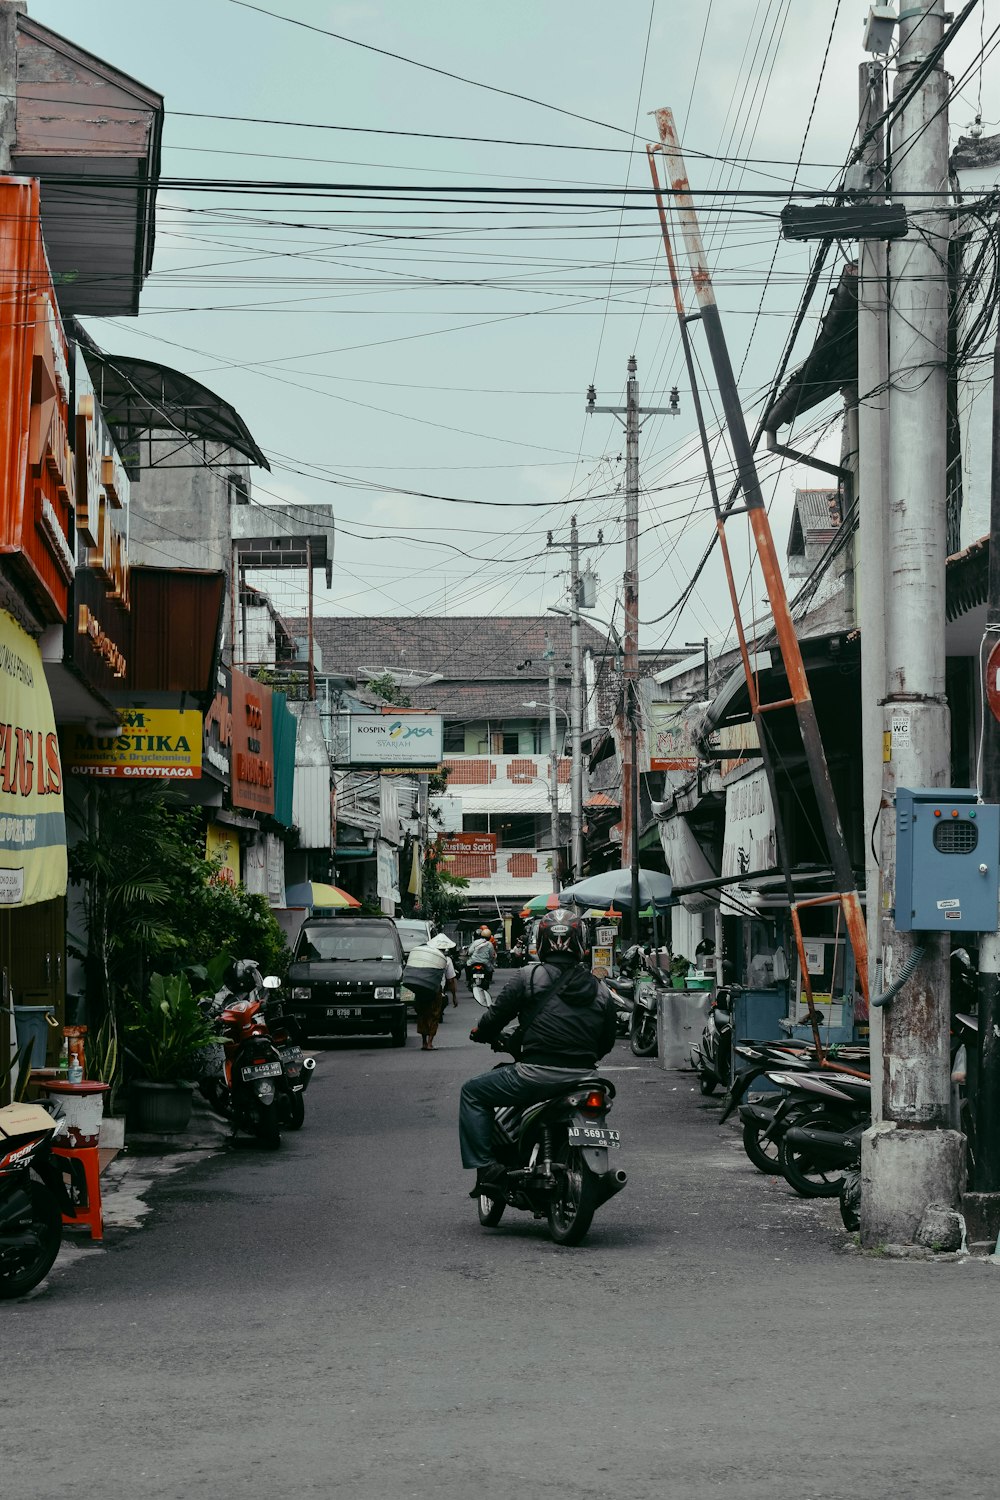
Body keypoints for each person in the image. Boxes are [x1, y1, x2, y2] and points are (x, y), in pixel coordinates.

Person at [459, 907, 618, 1194]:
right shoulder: (601, 989)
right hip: (586, 1079)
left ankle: (487, 1167)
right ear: (581, 942)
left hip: (534, 1076)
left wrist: (481, 1034)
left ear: (541, 941)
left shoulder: (528, 977)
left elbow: (495, 1018)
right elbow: (606, 1041)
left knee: (472, 1092)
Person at [403, 932, 459, 1051]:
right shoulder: (446, 960)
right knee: (434, 1016)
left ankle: (424, 1042)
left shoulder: (422, 955)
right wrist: (454, 996)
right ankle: (430, 1043)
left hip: (420, 990)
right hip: (435, 991)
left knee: (422, 1014)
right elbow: (451, 980)